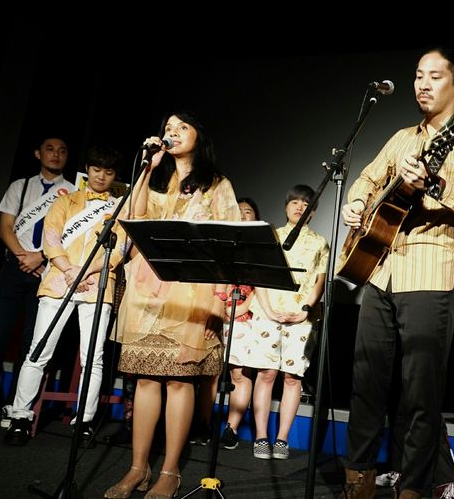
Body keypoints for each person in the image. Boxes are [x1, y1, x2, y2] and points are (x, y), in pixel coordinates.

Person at [340, 47, 454, 499]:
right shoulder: (400, 138)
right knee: (366, 381)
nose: (423, 84)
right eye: (417, 76)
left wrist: (432, 186)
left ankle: (412, 487)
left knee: (420, 392)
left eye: (434, 76)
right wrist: (357, 203)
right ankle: (359, 480)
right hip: (379, 269)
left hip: (431, 271)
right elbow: (367, 179)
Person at [104, 111, 240, 499]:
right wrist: (148, 169)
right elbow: (134, 217)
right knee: (146, 379)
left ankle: (170, 471)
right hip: (148, 294)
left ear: (200, 134)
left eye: (182, 127)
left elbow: (227, 242)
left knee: (180, 380)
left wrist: (220, 300)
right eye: (168, 127)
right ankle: (136, 469)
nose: (173, 132)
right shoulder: (156, 175)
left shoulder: (216, 184)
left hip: (193, 294)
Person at [4, 146, 125, 446]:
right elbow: (51, 238)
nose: (101, 176)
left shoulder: (119, 209)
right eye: (96, 169)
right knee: (39, 350)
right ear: (88, 169)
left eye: (108, 172)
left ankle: (83, 420)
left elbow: (119, 250)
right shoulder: (66, 200)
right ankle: (20, 415)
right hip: (59, 281)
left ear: (114, 176)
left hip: (97, 285)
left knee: (93, 358)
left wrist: (82, 273)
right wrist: (69, 270)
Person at [0, 135, 74, 421]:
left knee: (31, 341)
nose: (55, 155)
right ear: (37, 154)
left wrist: (41, 258)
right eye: (49, 149)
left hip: (48, 271)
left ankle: (16, 404)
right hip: (15, 266)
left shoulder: (73, 192)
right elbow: (5, 227)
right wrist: (24, 256)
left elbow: (71, 235)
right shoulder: (20, 187)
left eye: (61, 150)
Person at [246, 185, 329, 459]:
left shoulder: (320, 242)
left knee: (292, 378)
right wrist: (269, 311)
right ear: (286, 206)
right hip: (268, 313)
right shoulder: (271, 237)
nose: (299, 208)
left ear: (313, 211)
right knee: (266, 373)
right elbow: (259, 276)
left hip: (300, 318)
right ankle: (260, 436)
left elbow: (319, 281)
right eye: (294, 202)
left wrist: (306, 311)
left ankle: (282, 439)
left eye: (305, 205)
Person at [190, 197, 261, 450]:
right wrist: (217, 311)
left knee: (240, 374)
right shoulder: (216, 247)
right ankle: (202, 425)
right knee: (209, 373)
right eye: (238, 211)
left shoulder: (259, 250)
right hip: (214, 316)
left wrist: (238, 310)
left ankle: (231, 429)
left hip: (244, 318)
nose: (242, 215)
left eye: (248, 212)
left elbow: (261, 289)